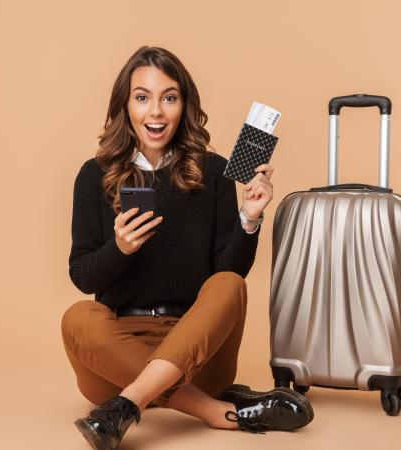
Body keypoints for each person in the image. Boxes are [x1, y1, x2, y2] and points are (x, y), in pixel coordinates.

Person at [61, 46, 313, 450]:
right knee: (78, 317)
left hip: (197, 350)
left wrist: (249, 218)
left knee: (230, 284)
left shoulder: (212, 171)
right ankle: (217, 412)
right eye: (142, 97)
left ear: (185, 104)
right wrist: (120, 248)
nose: (156, 112)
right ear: (125, 106)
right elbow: (82, 275)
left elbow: (227, 271)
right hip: (115, 357)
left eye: (169, 97)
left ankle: (125, 406)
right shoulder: (94, 176)